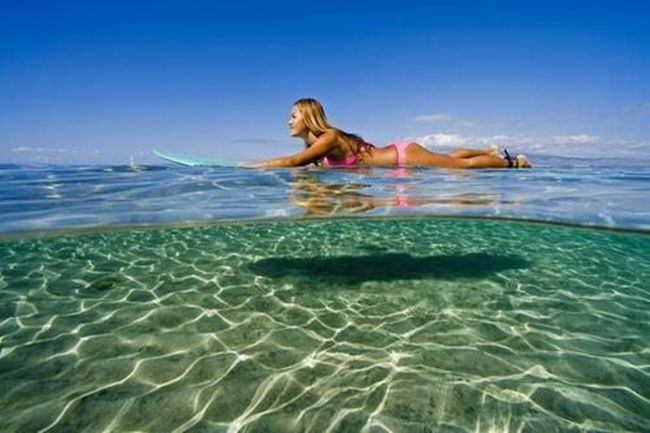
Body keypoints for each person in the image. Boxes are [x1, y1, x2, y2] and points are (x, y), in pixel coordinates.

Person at [244, 98, 532, 169]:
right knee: (446, 158)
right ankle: (488, 151)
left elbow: (294, 162)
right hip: (398, 162)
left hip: (401, 156)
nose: (288, 121)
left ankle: (513, 163)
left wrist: (249, 166)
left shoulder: (328, 138)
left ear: (308, 117)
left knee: (458, 168)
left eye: (293, 116)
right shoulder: (320, 150)